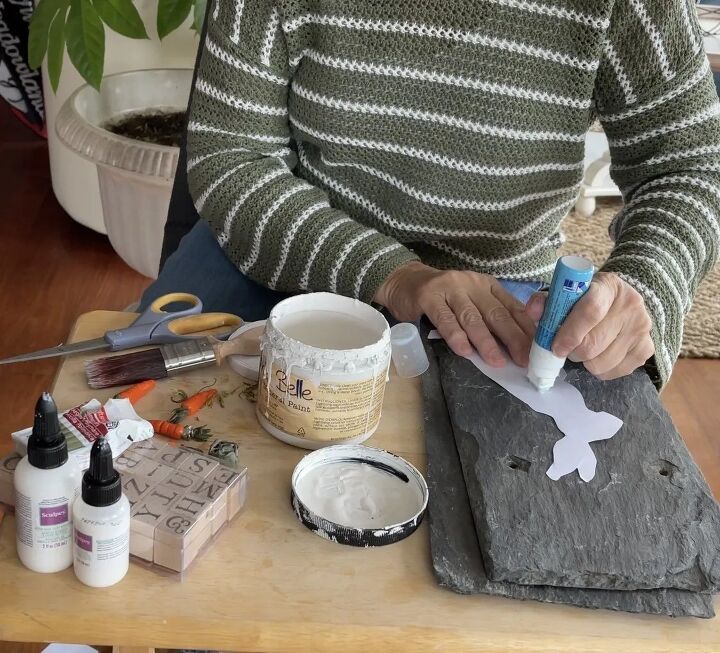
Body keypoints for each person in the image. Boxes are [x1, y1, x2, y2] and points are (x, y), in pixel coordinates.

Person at [142, 0, 720, 388]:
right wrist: (394, 277)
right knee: (141, 423)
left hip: (507, 296)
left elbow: (691, 166)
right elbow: (232, 158)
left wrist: (646, 284)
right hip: (289, 248)